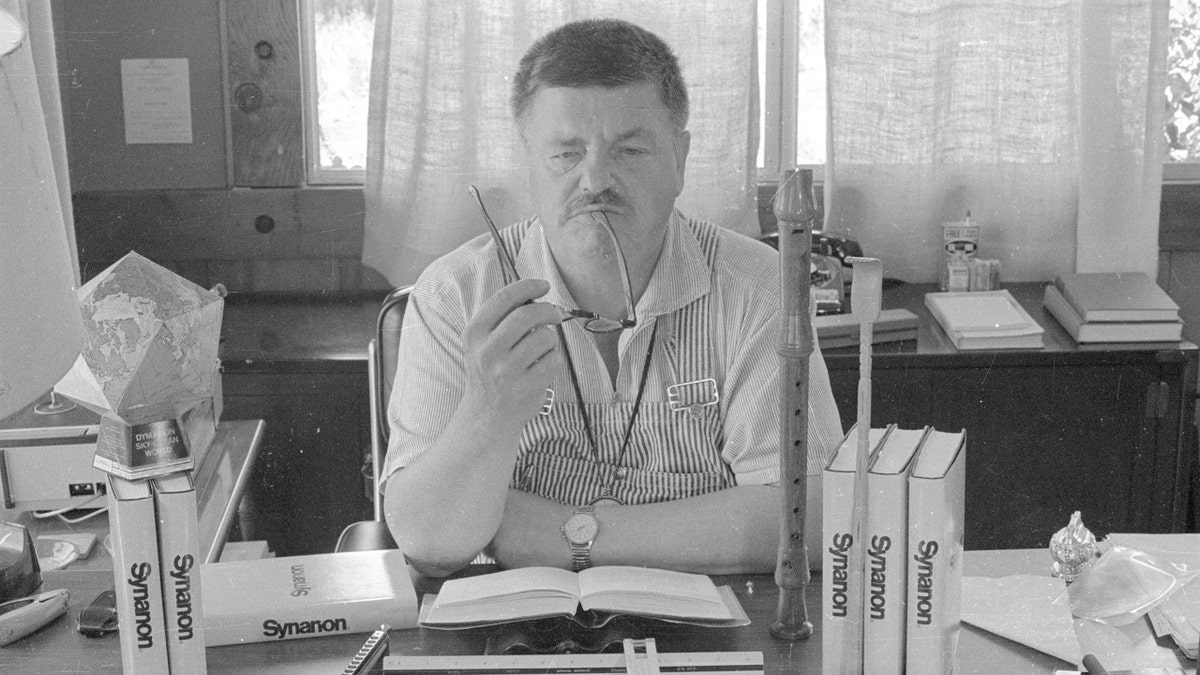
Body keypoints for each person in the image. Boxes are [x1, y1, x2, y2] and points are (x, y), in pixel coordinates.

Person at [381, 18, 843, 577]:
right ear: (528, 159)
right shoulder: (454, 294)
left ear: (680, 157)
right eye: (564, 153)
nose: (595, 179)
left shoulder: (759, 288)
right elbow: (429, 544)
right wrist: (487, 412)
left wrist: (564, 537)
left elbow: (810, 518)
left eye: (629, 151)